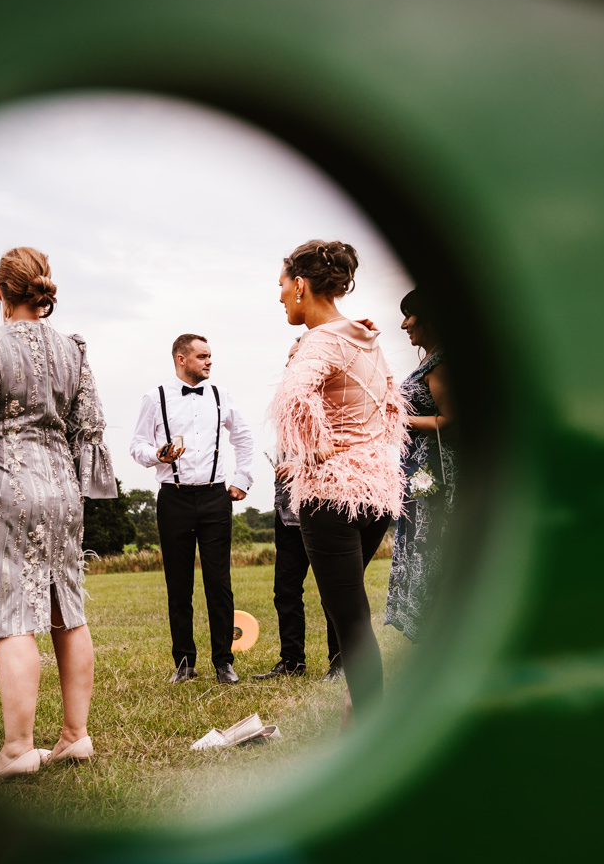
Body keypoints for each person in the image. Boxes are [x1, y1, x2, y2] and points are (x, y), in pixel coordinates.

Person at [0, 247, 117, 780]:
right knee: (67, 609)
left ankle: (17, 750)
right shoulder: (72, 348)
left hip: (8, 488)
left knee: (12, 618)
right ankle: (75, 736)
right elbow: (90, 426)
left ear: (0, 291)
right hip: (63, 487)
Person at [269, 240, 405, 718]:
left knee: (350, 619)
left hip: (332, 494)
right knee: (348, 611)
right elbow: (391, 402)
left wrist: (316, 449)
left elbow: (292, 399)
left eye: (282, 286)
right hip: (378, 491)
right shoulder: (363, 336)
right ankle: (356, 711)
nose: (280, 296)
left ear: (301, 285)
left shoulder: (322, 340)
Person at [128, 334, 256, 685]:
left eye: (210, 356)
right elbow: (137, 444)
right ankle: (184, 663)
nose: (209, 362)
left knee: (219, 582)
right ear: (181, 359)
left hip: (216, 498)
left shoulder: (220, 395)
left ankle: (224, 662)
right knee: (178, 585)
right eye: (202, 356)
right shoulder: (155, 398)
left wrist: (242, 480)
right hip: (174, 498)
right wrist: (158, 454)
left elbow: (243, 436)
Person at [384, 289, 457, 642]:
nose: (403, 324)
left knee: (430, 546)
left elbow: (450, 420)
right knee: (419, 544)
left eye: (409, 315)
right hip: (417, 473)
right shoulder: (429, 361)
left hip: (435, 473)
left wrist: (401, 419)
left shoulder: (442, 362)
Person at [253, 458, 342, 682]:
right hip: (288, 517)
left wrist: (300, 464)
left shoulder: (327, 423)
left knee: (332, 592)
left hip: (324, 512)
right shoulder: (285, 427)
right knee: (285, 590)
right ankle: (292, 661)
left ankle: (339, 662)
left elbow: (338, 455)